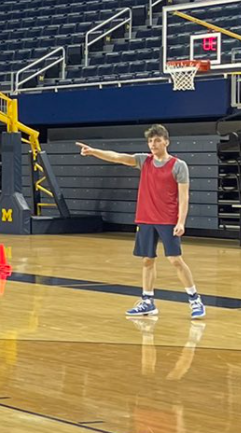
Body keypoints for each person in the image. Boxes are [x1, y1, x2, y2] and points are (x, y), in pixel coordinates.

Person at [76, 125, 206, 319]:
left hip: (167, 219)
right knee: (147, 260)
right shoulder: (143, 160)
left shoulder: (179, 165)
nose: (153, 144)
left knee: (175, 260)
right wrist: (94, 151)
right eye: (150, 141)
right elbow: (117, 157)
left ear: (166, 142)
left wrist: (181, 221)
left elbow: (184, 197)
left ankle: (195, 299)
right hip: (145, 218)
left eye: (157, 140)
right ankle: (147, 301)